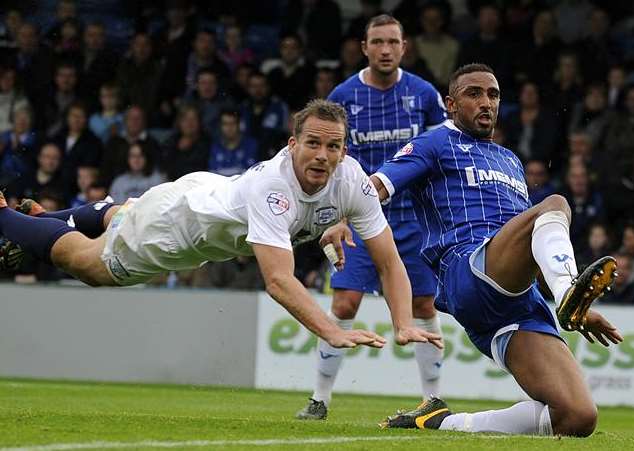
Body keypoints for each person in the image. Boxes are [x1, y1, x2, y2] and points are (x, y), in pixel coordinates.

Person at [0, 98, 441, 354]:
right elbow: (278, 281)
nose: (322, 155)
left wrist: (401, 322)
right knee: (91, 266)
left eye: (333, 146)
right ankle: (7, 215)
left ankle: (43, 221)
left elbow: (389, 262)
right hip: (180, 226)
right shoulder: (276, 187)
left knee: (124, 216)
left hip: (203, 191)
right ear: (292, 145)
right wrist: (331, 329)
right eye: (312, 143)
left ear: (344, 151)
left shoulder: (353, 182)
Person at [369, 63, 621, 437]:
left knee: (577, 416)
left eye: (493, 94)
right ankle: (570, 291)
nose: (486, 102)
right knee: (555, 203)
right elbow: (376, 187)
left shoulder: (510, 161)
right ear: (451, 104)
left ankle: (440, 421)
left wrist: (579, 313)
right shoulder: (434, 143)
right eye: (474, 94)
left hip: (516, 298)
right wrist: (343, 219)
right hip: (468, 270)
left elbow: (535, 245)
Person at [296, 14, 447, 421]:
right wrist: (336, 215)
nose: (385, 49)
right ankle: (319, 399)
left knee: (423, 301)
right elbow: (329, 159)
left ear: (404, 47)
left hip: (414, 219)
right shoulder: (343, 97)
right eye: (377, 42)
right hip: (358, 215)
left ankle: (433, 399)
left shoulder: (425, 94)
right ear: (364, 47)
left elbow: (445, 149)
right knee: (344, 303)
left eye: (392, 42)